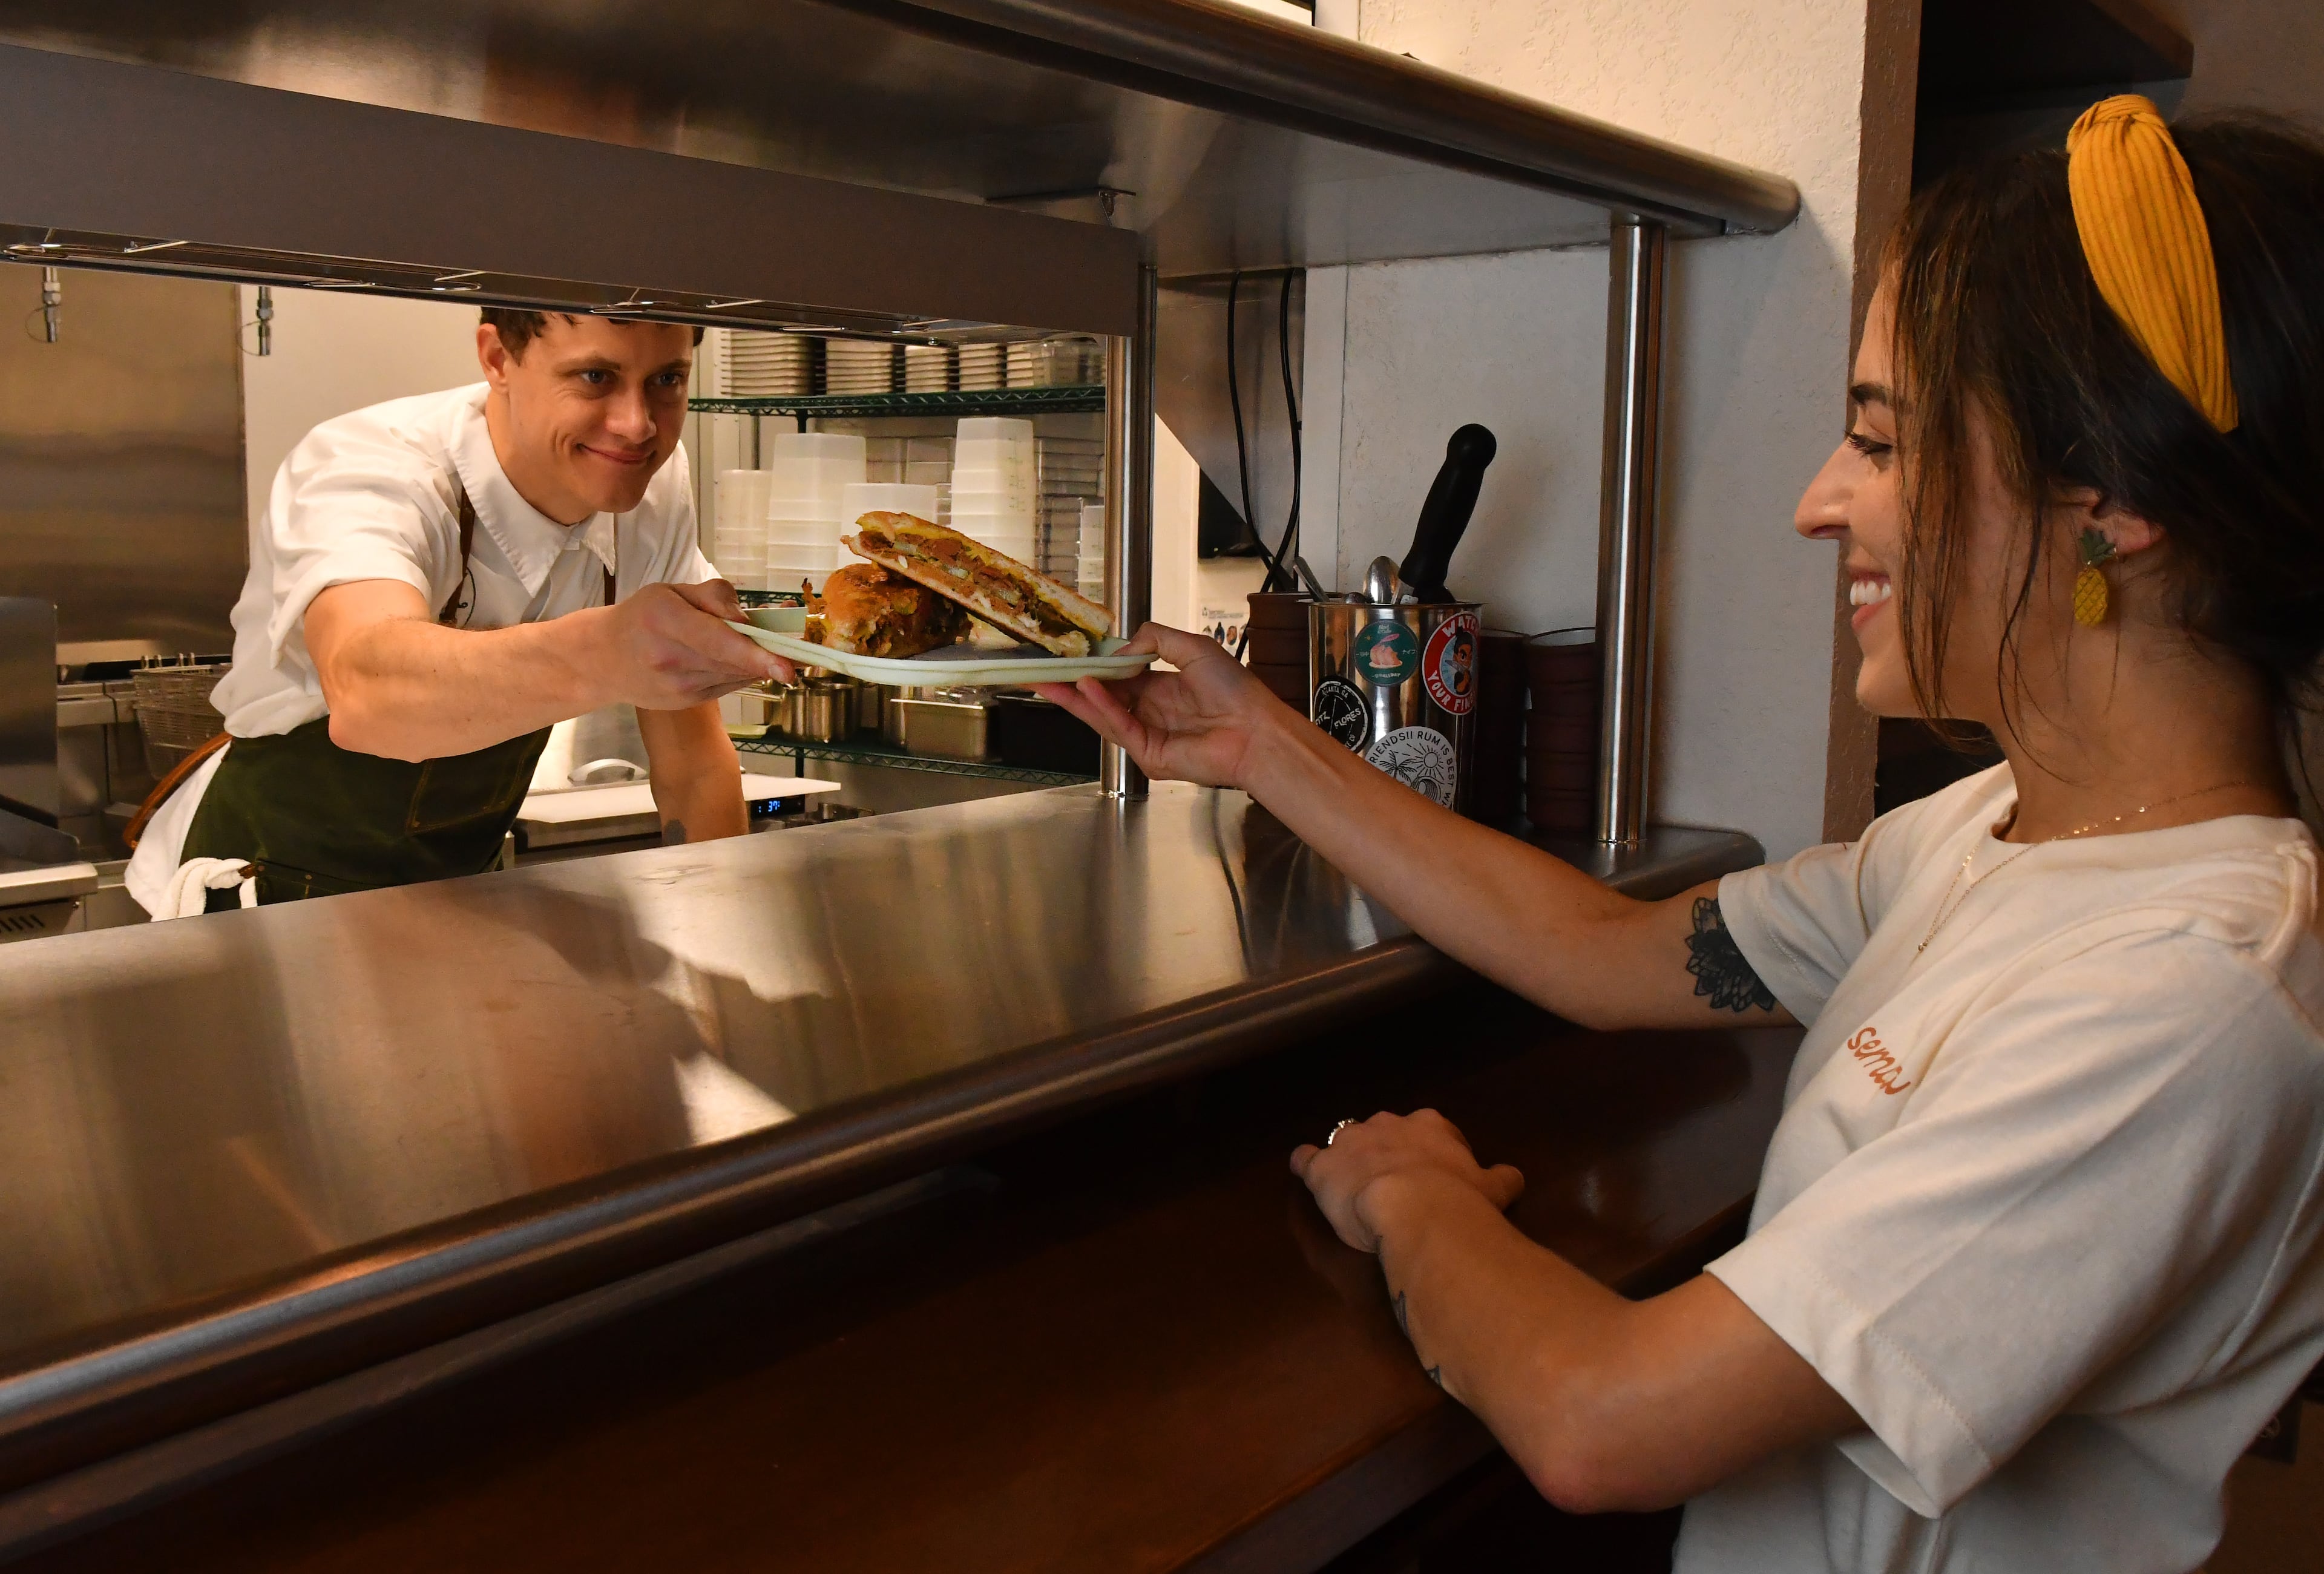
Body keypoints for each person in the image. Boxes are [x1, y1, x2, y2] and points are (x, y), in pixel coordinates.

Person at [1038, 99, 2324, 1573]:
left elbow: (1603, 1419)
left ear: (2111, 503)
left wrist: (1414, 1199)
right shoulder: (1996, 833)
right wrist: (1262, 743)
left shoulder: (2188, 997)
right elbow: (1609, 950)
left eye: (1879, 444)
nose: (1815, 504)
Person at [126, 307, 792, 914]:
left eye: (668, 381)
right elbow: (369, 693)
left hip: (446, 903)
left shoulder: (648, 485)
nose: (637, 424)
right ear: (498, 359)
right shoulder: (373, 467)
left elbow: (693, 764)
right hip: (260, 901)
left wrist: (722, 928)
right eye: (595, 376)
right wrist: (607, 652)